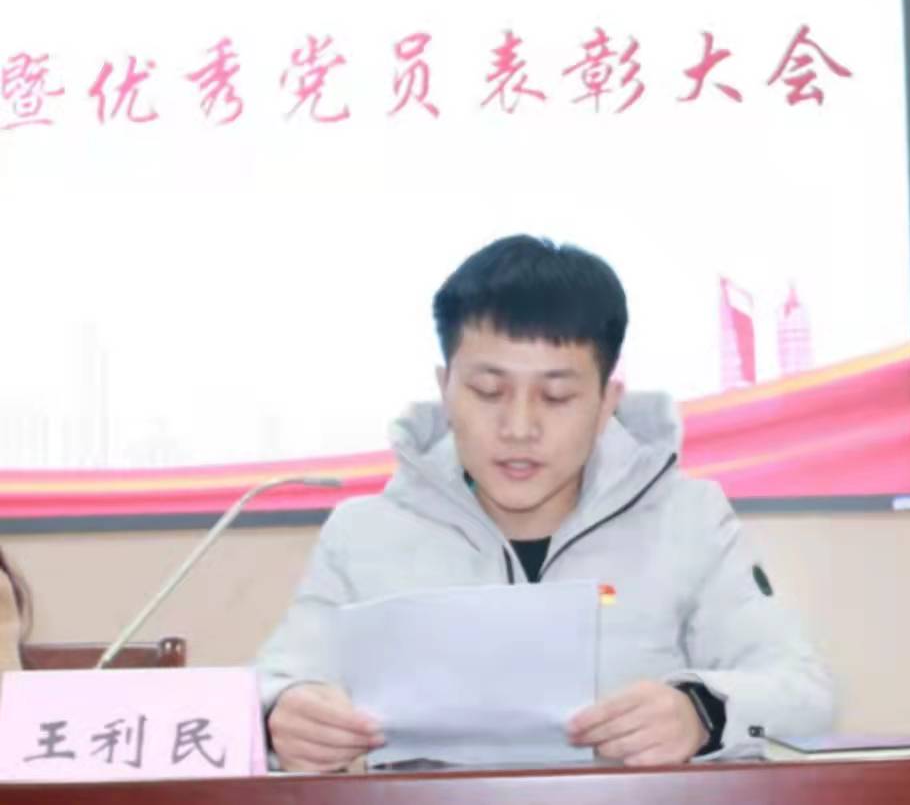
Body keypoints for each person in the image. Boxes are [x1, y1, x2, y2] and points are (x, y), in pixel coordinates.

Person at [256, 235, 834, 772]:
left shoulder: (688, 520)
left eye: (556, 396)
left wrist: (700, 712)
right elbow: (269, 690)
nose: (518, 427)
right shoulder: (364, 535)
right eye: (488, 391)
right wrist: (281, 716)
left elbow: (803, 695)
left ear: (607, 402)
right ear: (444, 388)